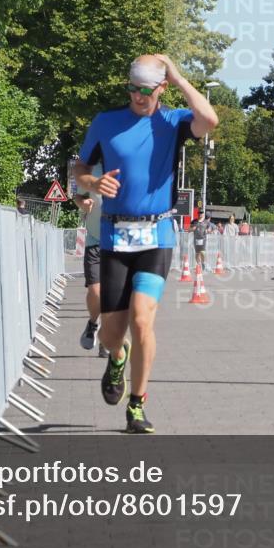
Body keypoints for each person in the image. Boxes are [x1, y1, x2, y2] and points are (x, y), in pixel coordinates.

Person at [74, 54, 218, 434]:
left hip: (157, 235)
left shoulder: (172, 122)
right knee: (110, 334)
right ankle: (116, 358)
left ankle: (136, 405)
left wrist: (179, 75)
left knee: (142, 319)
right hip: (114, 235)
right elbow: (79, 168)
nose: (138, 97)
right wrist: (91, 183)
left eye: (147, 90)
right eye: (133, 89)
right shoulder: (106, 122)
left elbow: (210, 119)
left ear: (161, 88)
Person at [74, 164, 107, 357]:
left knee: (112, 294)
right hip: (94, 239)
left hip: (118, 243)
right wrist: (82, 203)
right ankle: (93, 323)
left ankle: (106, 339)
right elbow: (79, 196)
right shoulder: (93, 170)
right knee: (95, 292)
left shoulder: (128, 167)